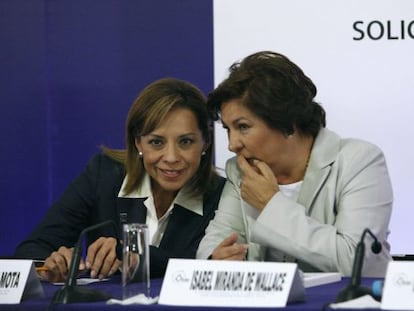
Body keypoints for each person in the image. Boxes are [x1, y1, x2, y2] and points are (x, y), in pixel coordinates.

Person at [196, 51, 393, 277]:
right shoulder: (240, 169)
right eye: (227, 129)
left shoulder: (359, 161)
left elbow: (357, 260)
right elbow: (215, 241)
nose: (232, 145)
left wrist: (271, 204)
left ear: (288, 122)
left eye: (243, 127)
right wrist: (216, 259)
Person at [15, 77, 225, 282]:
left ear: (205, 143)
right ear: (138, 143)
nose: (171, 157)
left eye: (186, 142)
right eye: (156, 142)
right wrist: (54, 264)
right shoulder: (104, 174)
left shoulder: (222, 196)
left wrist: (129, 253)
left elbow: (205, 267)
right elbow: (31, 251)